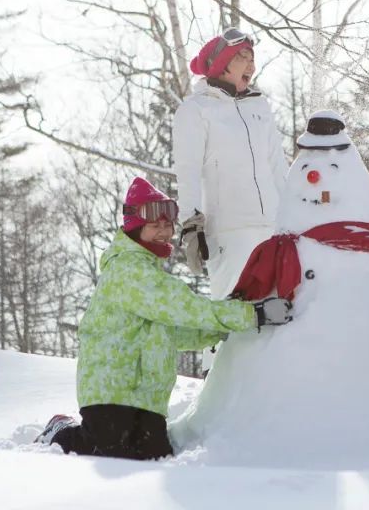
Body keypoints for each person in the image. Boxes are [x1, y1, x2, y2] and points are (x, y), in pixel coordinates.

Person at [35, 177, 294, 459]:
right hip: (111, 389)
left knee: (153, 454)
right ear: (135, 229)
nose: (163, 232)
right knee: (108, 449)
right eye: (154, 226)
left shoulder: (151, 274)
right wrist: (250, 314)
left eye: (167, 225)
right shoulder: (128, 269)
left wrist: (219, 331)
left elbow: (172, 331)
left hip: (148, 397)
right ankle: (60, 430)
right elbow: (186, 307)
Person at [173, 28, 288, 301]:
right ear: (222, 64)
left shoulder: (259, 107)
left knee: (279, 316)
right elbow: (187, 169)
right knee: (233, 316)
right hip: (229, 232)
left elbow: (277, 166)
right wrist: (189, 222)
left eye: (252, 57)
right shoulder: (196, 109)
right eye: (243, 57)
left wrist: (292, 215)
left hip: (273, 229)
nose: (252, 64)